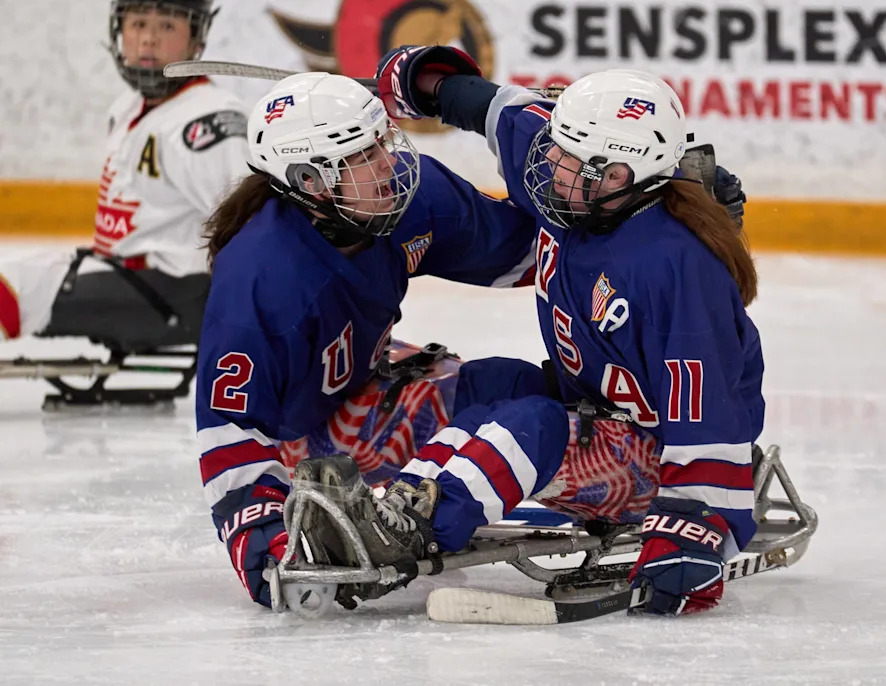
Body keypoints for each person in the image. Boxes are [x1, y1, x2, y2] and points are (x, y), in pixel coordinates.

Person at [293, 48, 764, 618]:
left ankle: (416, 527)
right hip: (589, 400)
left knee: (534, 425)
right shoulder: (577, 173)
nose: (549, 166)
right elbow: (502, 111)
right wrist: (432, 84)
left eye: (570, 160)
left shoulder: (678, 269)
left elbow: (710, 420)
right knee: (493, 386)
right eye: (556, 148)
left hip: (652, 455)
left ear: (624, 176)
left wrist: (695, 528)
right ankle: (403, 505)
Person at [194, 71, 544, 609]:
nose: (388, 161)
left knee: (524, 385)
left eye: (381, 138)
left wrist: (646, 208)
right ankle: (423, 511)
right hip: (304, 445)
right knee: (522, 405)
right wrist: (268, 550)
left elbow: (531, 251)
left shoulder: (401, 193)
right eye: (363, 155)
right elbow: (232, 432)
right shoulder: (261, 282)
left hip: (359, 378)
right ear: (311, 181)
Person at [0, 0, 247, 354]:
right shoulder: (129, 107)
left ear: (196, 40)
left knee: (17, 286)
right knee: (16, 275)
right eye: (138, 24)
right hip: (126, 276)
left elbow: (247, 227)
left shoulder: (208, 123)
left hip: (172, 294)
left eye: (166, 26)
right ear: (119, 31)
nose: (148, 39)